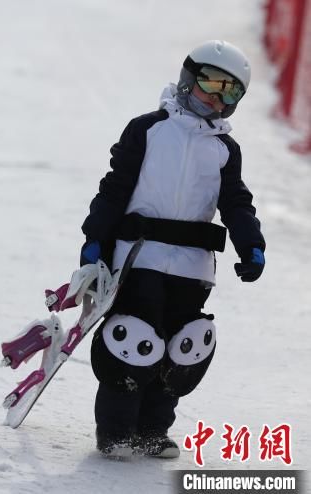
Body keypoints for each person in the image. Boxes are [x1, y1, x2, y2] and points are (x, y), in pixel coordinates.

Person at [79, 40, 266, 459]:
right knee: (135, 342)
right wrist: (95, 239)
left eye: (230, 92)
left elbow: (236, 201)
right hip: (138, 256)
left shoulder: (224, 149)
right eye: (210, 84)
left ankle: (152, 430)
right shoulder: (147, 129)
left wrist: (251, 244)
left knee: (181, 347)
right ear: (188, 79)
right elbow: (114, 188)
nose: (217, 97)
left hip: (193, 267)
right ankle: (116, 432)